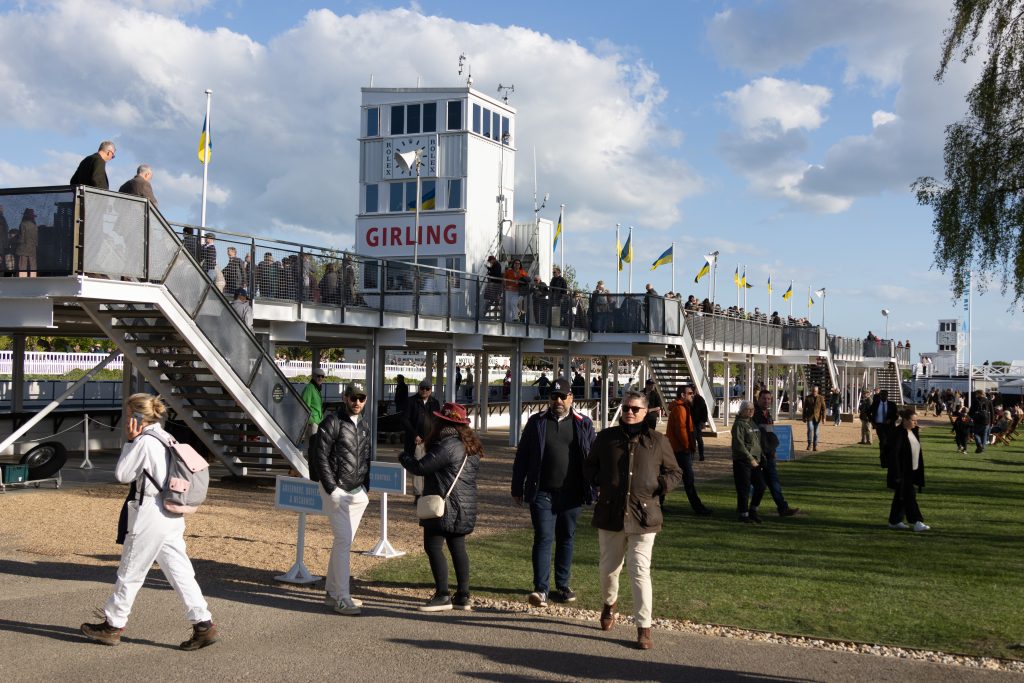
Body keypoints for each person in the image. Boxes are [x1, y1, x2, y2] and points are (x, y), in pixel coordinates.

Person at [80, 393, 218, 650]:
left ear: (134, 417)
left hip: (149, 511)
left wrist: (131, 442)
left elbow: (122, 474)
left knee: (131, 570)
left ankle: (113, 625)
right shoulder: (166, 436)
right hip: (171, 511)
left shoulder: (143, 441)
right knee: (180, 571)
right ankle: (203, 624)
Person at [584, 390, 683, 651]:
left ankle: (644, 626)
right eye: (626, 407)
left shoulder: (658, 441)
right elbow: (589, 466)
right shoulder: (605, 438)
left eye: (635, 409)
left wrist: (660, 485)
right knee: (609, 569)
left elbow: (675, 472)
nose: (629, 412)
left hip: (644, 515)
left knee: (639, 570)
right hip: (610, 513)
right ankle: (609, 603)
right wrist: (599, 480)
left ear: (646, 411)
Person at [511, 378, 597, 608]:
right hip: (542, 492)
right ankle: (541, 589)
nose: (558, 400)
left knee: (566, 538)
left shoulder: (584, 423)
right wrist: (516, 487)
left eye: (562, 396)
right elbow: (522, 457)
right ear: (548, 398)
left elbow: (594, 459)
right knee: (543, 537)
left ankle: (563, 584)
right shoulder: (536, 422)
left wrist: (595, 487)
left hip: (572, 494)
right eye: (553, 396)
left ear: (571, 398)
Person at [399, 402, 483, 611]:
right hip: (464, 505)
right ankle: (463, 595)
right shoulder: (470, 445)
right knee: (458, 548)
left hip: (444, 505)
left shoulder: (446, 444)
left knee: (433, 546)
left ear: (443, 422)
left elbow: (421, 467)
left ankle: (442, 595)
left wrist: (403, 457)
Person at [314, 381, 372, 614]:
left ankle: (332, 592)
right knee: (343, 542)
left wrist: (365, 488)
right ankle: (341, 597)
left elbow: (366, 458)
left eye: (361, 398)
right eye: (353, 397)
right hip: (337, 491)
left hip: (357, 492)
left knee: (343, 543)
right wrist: (332, 488)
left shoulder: (365, 426)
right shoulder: (332, 421)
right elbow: (320, 456)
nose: (357, 402)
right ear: (344, 398)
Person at [665, 386, 713, 516]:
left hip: (676, 449)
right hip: (681, 450)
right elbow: (681, 431)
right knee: (688, 480)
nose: (693, 395)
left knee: (670, 477)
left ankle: (658, 502)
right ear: (682, 395)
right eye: (690, 393)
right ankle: (698, 508)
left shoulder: (682, 407)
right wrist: (687, 447)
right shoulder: (681, 409)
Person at [752, 389, 799, 517]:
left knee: (773, 482)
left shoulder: (768, 414)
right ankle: (750, 508)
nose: (767, 401)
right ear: (758, 399)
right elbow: (756, 437)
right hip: (760, 455)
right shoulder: (755, 415)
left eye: (769, 399)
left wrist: (773, 450)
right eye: (764, 399)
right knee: (760, 484)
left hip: (769, 454)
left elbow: (770, 435)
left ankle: (782, 507)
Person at [885, 407, 929, 531]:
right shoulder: (898, 433)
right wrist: (897, 474)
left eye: (917, 420)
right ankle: (917, 521)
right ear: (904, 420)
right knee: (910, 496)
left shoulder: (913, 432)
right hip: (902, 472)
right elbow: (894, 455)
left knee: (901, 497)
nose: (916, 423)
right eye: (914, 420)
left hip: (913, 470)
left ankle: (894, 521)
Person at [731, 400, 767, 523]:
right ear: (741, 411)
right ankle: (743, 514)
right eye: (748, 409)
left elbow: (757, 442)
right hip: (743, 461)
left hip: (756, 461)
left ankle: (753, 510)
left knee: (761, 486)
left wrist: (762, 456)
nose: (751, 411)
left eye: (752, 409)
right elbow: (739, 445)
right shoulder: (739, 425)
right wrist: (750, 458)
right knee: (744, 488)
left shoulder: (752, 423)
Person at [870, 389, 898, 457]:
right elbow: (868, 412)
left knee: (889, 441)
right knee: (883, 440)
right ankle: (883, 454)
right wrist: (872, 421)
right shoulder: (876, 404)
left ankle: (889, 454)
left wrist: (891, 420)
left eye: (884, 395)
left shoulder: (892, 404)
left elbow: (896, 415)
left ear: (887, 396)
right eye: (881, 395)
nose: (882, 396)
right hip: (879, 425)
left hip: (889, 426)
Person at [802, 385, 826, 451]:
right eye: (813, 391)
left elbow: (824, 409)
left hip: (817, 418)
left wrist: (824, 418)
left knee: (816, 433)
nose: (814, 392)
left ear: (817, 391)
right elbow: (804, 408)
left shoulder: (821, 398)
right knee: (810, 429)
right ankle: (809, 444)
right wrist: (803, 417)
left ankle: (815, 446)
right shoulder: (808, 397)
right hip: (809, 417)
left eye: (815, 391)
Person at [968, 389, 993, 453]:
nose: (976, 395)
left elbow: (971, 411)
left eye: (976, 394)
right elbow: (992, 412)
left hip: (977, 420)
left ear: (979, 394)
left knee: (976, 434)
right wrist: (992, 421)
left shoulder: (975, 401)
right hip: (986, 420)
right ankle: (982, 447)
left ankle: (979, 445)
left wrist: (971, 417)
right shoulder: (988, 401)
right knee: (984, 435)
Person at [16, 208, 37, 278]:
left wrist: (17, 243)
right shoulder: (34, 225)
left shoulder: (23, 224)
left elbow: (21, 237)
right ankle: (33, 279)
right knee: (33, 265)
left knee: (22, 265)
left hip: (23, 248)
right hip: (32, 248)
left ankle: (22, 280)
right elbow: (36, 238)